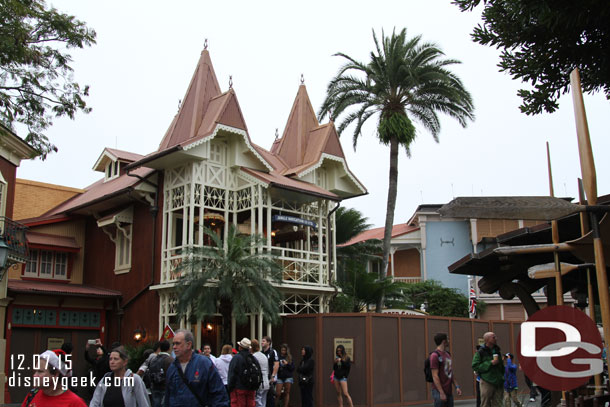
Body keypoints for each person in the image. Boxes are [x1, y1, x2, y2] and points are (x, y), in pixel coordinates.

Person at [164, 329, 229, 407]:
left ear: (189, 345)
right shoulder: (172, 368)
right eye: (173, 344)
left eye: (177, 343)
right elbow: (168, 396)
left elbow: (219, 394)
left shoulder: (204, 364)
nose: (174, 347)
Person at [21, 349, 86, 407]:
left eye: (40, 372)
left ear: (55, 374)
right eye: (35, 371)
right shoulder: (32, 394)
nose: (35, 375)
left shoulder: (75, 403)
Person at [472, 332, 504, 407]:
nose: (496, 338)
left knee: (498, 403)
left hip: (498, 381)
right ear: (487, 339)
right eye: (493, 337)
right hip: (487, 381)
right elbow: (475, 366)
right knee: (485, 403)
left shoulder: (497, 350)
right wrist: (490, 363)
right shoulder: (481, 352)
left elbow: (501, 366)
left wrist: (503, 376)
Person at [430, 333, 462, 407]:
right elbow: (435, 376)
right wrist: (441, 392)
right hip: (439, 391)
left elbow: (450, 372)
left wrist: (457, 386)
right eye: (448, 339)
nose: (449, 341)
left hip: (448, 391)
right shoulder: (434, 356)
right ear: (444, 341)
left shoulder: (447, 354)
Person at [228, 337, 258, 407]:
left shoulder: (236, 358)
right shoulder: (253, 358)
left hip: (239, 388)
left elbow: (232, 374)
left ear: (240, 347)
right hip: (251, 388)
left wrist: (230, 387)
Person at [148, 340, 173, 407]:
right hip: (165, 387)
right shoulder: (170, 360)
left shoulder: (153, 359)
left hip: (155, 386)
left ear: (160, 348)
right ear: (169, 348)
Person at [251, 339, 270, 407]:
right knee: (263, 401)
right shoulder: (264, 356)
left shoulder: (254, 357)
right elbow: (267, 369)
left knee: (258, 401)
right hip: (266, 381)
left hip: (259, 381)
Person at [262, 336, 279, 407]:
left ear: (268, 343)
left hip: (270, 377)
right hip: (263, 377)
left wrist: (273, 376)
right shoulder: (261, 352)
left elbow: (276, 364)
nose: (262, 342)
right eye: (262, 341)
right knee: (263, 397)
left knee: (270, 396)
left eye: (264, 341)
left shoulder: (272, 352)